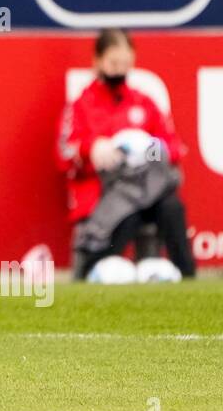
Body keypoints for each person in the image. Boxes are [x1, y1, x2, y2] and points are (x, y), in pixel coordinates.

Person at [57, 29, 196, 280]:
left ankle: (187, 278)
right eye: (113, 64)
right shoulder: (82, 106)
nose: (118, 71)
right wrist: (92, 148)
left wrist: (148, 150)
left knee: (172, 207)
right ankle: (92, 274)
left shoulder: (144, 103)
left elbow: (174, 148)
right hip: (105, 194)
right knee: (124, 216)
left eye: (125, 64)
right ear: (97, 61)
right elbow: (64, 154)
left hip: (146, 190)